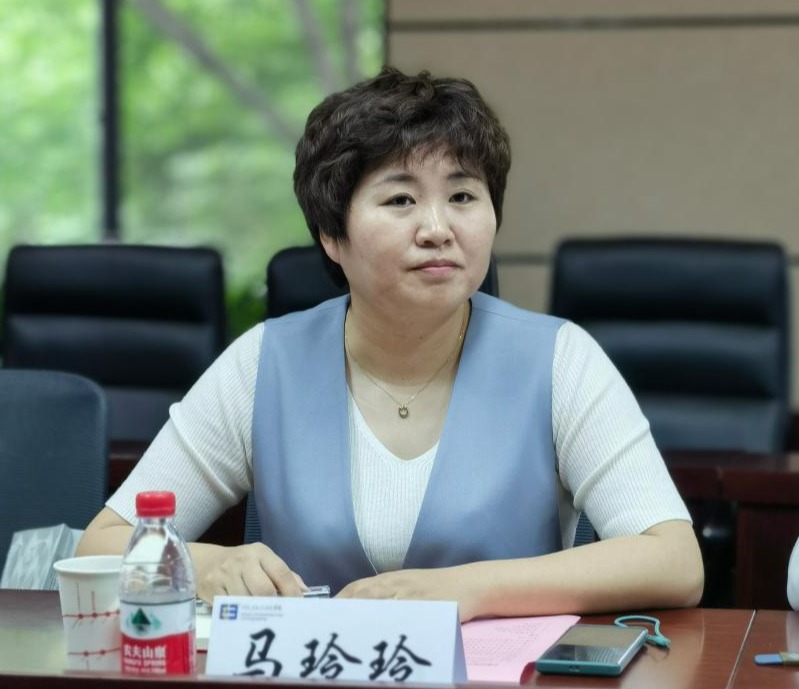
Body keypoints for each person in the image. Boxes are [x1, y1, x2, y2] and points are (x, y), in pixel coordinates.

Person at [78, 66, 704, 621]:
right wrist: (210, 564)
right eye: (401, 199)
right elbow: (101, 545)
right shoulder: (264, 363)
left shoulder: (560, 359)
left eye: (463, 196)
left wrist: (470, 590)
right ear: (331, 235)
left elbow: (674, 560)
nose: (437, 228)